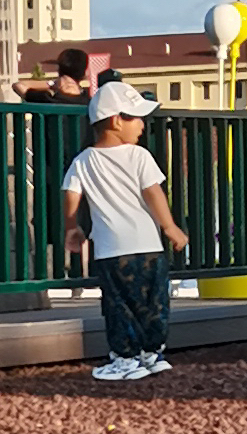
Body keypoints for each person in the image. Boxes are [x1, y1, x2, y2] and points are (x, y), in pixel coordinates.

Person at [60, 80, 189, 382]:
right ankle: (152, 353)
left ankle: (126, 358)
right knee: (155, 302)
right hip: (149, 245)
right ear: (116, 121)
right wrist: (169, 226)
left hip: (112, 249)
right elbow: (153, 193)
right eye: (136, 118)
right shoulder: (139, 156)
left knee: (119, 305)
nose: (142, 125)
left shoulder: (84, 161)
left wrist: (71, 227)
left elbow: (71, 195)